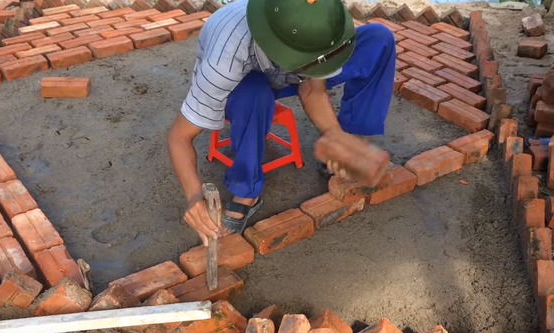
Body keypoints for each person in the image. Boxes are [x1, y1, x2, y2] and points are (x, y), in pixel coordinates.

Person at [167, 0, 396, 245]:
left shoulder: (318, 26)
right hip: (245, 81)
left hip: (291, 60)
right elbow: (179, 137)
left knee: (378, 39)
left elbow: (311, 90)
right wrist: (193, 197)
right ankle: (247, 193)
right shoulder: (225, 60)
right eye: (305, 63)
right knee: (254, 96)